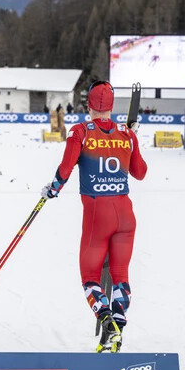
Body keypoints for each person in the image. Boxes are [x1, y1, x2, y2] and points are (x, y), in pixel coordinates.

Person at [40, 80, 147, 353]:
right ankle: (116, 332)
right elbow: (140, 172)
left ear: (89, 106)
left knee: (90, 277)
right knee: (120, 275)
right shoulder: (126, 134)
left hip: (98, 216)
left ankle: (107, 322)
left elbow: (65, 168)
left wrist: (52, 190)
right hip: (125, 215)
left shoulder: (80, 132)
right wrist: (133, 140)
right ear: (111, 107)